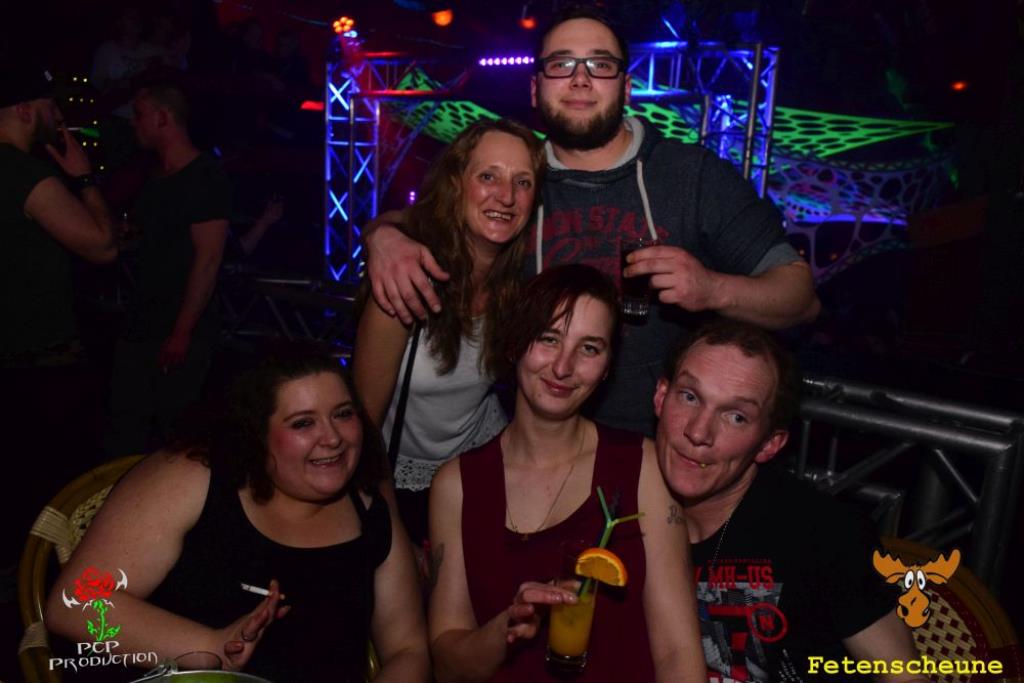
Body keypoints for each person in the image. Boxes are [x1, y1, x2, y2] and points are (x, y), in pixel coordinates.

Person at [362, 6, 820, 437]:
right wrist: (385, 236)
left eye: (600, 65)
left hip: (658, 453)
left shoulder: (690, 175)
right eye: (561, 64)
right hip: (535, 447)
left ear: (626, 86)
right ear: (535, 87)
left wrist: (712, 288)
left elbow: (799, 297)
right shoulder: (520, 179)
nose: (580, 79)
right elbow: (431, 216)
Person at [45, 347, 431, 682]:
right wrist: (209, 647)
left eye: (343, 414)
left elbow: (408, 651)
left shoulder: (369, 512)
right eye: (303, 423)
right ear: (256, 433)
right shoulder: (194, 479)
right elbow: (74, 605)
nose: (333, 438)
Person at [428, 264, 705, 682]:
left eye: (589, 348)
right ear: (514, 344)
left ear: (608, 366)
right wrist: (508, 626)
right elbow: (449, 669)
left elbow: (678, 655)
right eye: (549, 339)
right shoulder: (458, 485)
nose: (563, 367)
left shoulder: (642, 467)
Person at [653, 319, 926, 682]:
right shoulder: (621, 504)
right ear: (661, 396)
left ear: (769, 444)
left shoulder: (822, 533)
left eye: (736, 417)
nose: (699, 432)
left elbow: (904, 676)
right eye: (690, 397)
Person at [353, 118, 544, 544]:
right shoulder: (408, 278)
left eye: (523, 182)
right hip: (400, 480)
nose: (506, 196)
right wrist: (395, 531)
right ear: (456, 183)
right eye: (488, 176)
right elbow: (363, 429)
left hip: (481, 465)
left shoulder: (521, 279)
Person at [0, 61, 116, 573]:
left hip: (12, 357)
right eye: (51, 106)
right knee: (56, 495)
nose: (59, 115)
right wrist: (83, 177)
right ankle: (52, 593)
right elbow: (102, 247)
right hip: (41, 363)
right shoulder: (23, 172)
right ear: (26, 111)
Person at [105, 80, 231, 457]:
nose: (133, 123)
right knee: (125, 425)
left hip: (178, 326)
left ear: (163, 118)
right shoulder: (155, 176)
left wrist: (181, 332)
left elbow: (208, 260)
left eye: (140, 115)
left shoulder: (204, 175)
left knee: (175, 434)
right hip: (144, 317)